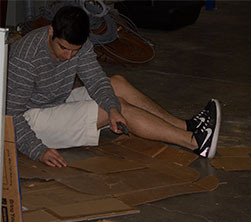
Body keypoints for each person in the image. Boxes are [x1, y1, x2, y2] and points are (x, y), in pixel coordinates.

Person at [6, 6, 221, 168]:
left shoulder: (78, 44)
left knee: (116, 84)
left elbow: (97, 80)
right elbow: (11, 116)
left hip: (52, 102)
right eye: (63, 48)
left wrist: (112, 107)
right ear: (51, 32)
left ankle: (186, 126)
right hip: (27, 120)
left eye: (75, 51)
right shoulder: (25, 57)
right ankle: (195, 142)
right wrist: (38, 151)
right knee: (117, 109)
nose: (68, 56)